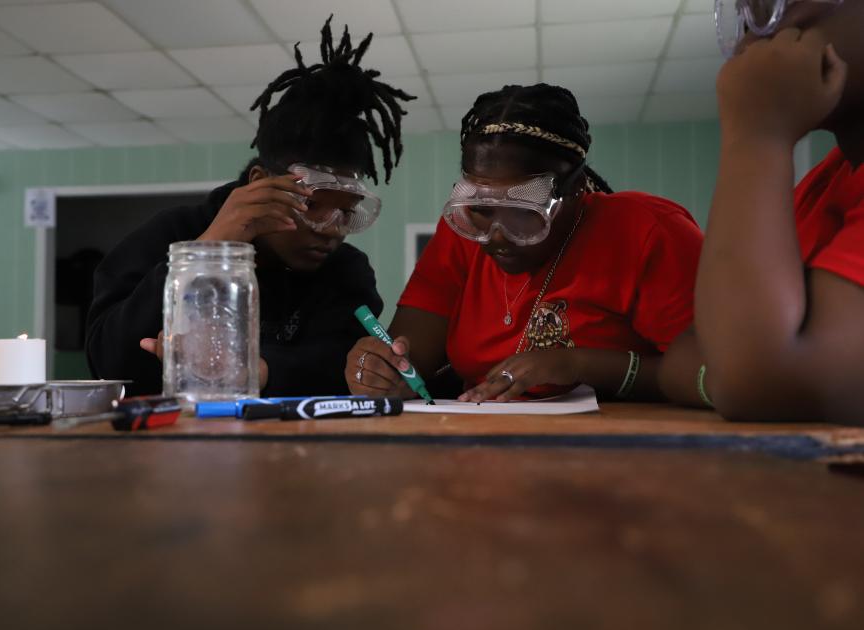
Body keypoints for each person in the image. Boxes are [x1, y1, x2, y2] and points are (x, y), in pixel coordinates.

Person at [86, 18, 414, 397]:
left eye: (346, 211)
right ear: (259, 183)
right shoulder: (173, 233)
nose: (331, 229)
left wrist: (256, 370)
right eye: (313, 205)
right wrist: (205, 252)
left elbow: (344, 365)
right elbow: (107, 361)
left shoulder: (344, 269)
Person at [345, 83, 704, 403]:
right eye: (481, 210)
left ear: (575, 189)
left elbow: (717, 377)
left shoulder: (647, 232)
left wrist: (580, 364)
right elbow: (411, 358)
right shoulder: (459, 234)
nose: (496, 235)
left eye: (522, 212)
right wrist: (383, 372)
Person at [658, 0, 864, 424]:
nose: (754, 37)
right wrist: (732, 370)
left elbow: (759, 378)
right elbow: (689, 352)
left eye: (775, 5)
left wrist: (757, 135)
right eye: (745, 15)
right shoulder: (826, 184)